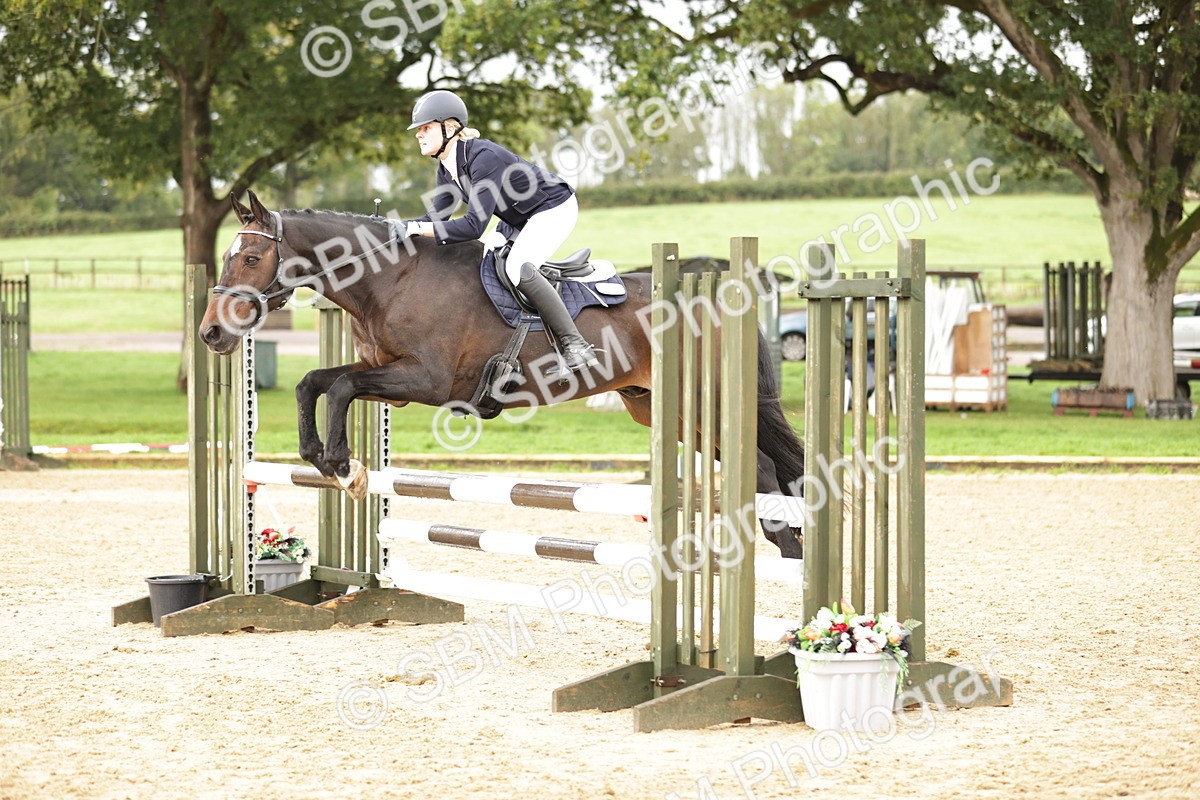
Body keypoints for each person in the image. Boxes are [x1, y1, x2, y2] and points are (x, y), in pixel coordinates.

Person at [400, 90, 599, 372]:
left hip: (554, 207)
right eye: (418, 130)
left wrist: (417, 228)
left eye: (426, 128)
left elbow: (474, 226)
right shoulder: (446, 168)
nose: (418, 135)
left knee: (517, 266)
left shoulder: (483, 157)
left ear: (450, 128)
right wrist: (394, 227)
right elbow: (434, 219)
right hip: (518, 218)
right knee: (487, 261)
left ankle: (576, 345)